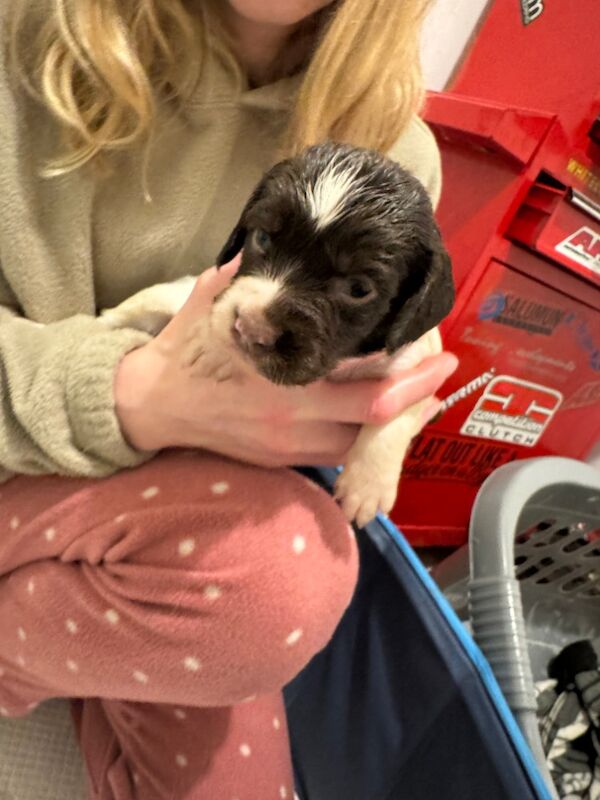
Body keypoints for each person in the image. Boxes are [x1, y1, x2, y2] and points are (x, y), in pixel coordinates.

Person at [0, 1, 458, 798]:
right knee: (279, 572)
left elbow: (405, 377)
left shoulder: (393, 152)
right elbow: (157, 312)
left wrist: (379, 434)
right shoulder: (23, 34)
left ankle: (78, 628)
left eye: (352, 287)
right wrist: (128, 392)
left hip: (181, 520)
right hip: (20, 458)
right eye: (265, 244)